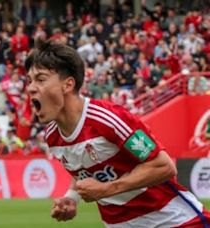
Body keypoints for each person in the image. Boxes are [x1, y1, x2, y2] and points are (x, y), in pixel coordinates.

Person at [25, 39, 210, 227]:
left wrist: (106, 189)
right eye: (29, 80)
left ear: (68, 85)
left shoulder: (107, 119)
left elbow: (163, 167)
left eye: (41, 79)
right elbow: (83, 166)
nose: (31, 87)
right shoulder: (52, 136)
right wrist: (71, 198)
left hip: (175, 222)